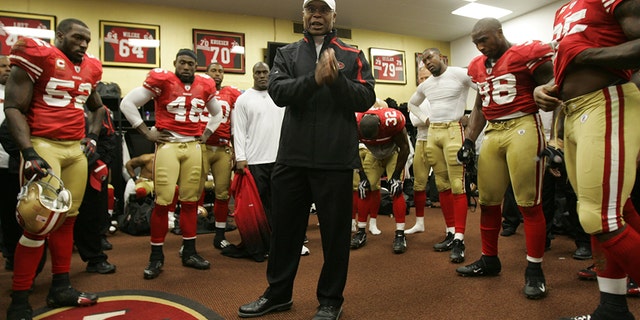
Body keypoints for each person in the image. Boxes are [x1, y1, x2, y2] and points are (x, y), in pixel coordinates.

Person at [237, 0, 376, 319]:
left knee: (335, 235)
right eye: (310, 10)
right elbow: (279, 92)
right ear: (302, 16)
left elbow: (365, 97)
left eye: (323, 10)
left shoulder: (352, 54)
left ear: (333, 16)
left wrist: (336, 80)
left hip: (335, 158)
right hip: (292, 158)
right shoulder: (286, 54)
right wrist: (315, 78)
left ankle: (330, 301)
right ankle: (278, 294)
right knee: (285, 231)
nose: (316, 16)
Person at [533, 0, 640, 317]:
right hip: (575, 111)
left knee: (599, 217)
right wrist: (548, 89)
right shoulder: (564, 9)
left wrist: (583, 55)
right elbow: (572, 63)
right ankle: (612, 309)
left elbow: (586, 55)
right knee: (607, 213)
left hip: (608, 102)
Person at [4, 18, 104, 319]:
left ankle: (61, 286)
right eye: (77, 38)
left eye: (87, 39)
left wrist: (93, 136)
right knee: (36, 223)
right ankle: (19, 300)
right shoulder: (40, 55)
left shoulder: (91, 66)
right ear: (59, 36)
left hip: (75, 148)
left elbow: (98, 106)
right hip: (44, 144)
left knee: (67, 220)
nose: (84, 44)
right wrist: (29, 151)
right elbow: (13, 106)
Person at [454, 18, 553, 300]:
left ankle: (535, 269)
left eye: (484, 39)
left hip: (523, 125)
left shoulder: (525, 53)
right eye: (476, 42)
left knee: (528, 203)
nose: (480, 46)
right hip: (494, 132)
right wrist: (469, 140)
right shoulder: (476, 66)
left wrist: (556, 135)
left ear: (499, 32)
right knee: (487, 201)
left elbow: (556, 85)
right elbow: (480, 106)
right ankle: (489, 259)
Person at [119, 48, 223, 280]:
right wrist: (146, 133)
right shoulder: (163, 80)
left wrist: (206, 133)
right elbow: (127, 103)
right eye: (183, 63)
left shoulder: (205, 84)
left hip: (194, 146)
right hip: (169, 145)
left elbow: (217, 114)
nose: (186, 67)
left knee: (190, 202)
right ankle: (156, 257)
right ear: (175, 63)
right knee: (163, 201)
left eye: (191, 64)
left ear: (196, 66)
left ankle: (190, 251)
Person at [407, 47, 476, 263]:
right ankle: (450, 231)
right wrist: (426, 119)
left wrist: (472, 117)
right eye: (424, 60)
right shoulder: (426, 85)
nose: (427, 62)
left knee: (458, 184)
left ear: (441, 57)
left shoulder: (458, 73)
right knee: (442, 184)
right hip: (433, 133)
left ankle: (460, 239)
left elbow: (484, 89)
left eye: (430, 57)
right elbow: (411, 104)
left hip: (453, 130)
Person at [232, 61, 285, 258]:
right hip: (255, 161)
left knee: (280, 203)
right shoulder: (243, 99)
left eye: (265, 72)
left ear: (270, 74)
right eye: (258, 73)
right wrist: (240, 158)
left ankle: (281, 243)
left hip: (280, 159)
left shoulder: (280, 96)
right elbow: (239, 131)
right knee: (259, 206)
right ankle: (261, 244)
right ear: (253, 75)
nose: (262, 76)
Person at [352, 99, 411, 254]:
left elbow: (404, 148)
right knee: (364, 187)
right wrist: (362, 176)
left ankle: (400, 234)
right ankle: (361, 231)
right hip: (373, 154)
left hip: (393, 152)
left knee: (396, 188)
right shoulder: (354, 124)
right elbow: (351, 151)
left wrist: (396, 176)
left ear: (380, 126)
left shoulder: (393, 120)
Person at [201, 62, 242, 250]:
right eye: (213, 71)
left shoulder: (230, 93)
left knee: (223, 193)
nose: (217, 74)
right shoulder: (198, 89)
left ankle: (219, 234)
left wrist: (237, 150)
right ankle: (189, 237)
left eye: (221, 71)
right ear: (206, 73)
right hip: (201, 147)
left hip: (223, 147)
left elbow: (235, 124)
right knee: (193, 192)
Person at [73, 106, 117, 275]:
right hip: (50, 161)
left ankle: (95, 257)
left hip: (89, 165)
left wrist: (99, 161)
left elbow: (109, 139)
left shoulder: (98, 109)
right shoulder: (43, 100)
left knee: (90, 212)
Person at [0, 54, 21, 271]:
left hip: (16, 163)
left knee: (16, 213)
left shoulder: (18, 92)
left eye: (10, 66)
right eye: (2, 66)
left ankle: (15, 255)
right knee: (6, 213)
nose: (7, 69)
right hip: (1, 162)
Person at [405, 66, 432, 235]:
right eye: (421, 78)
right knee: (418, 184)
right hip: (422, 141)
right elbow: (414, 120)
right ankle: (419, 223)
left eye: (426, 77)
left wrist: (427, 117)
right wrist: (428, 118)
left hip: (440, 139)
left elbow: (443, 116)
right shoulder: (416, 97)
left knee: (446, 185)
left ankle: (451, 229)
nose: (423, 81)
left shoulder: (439, 95)